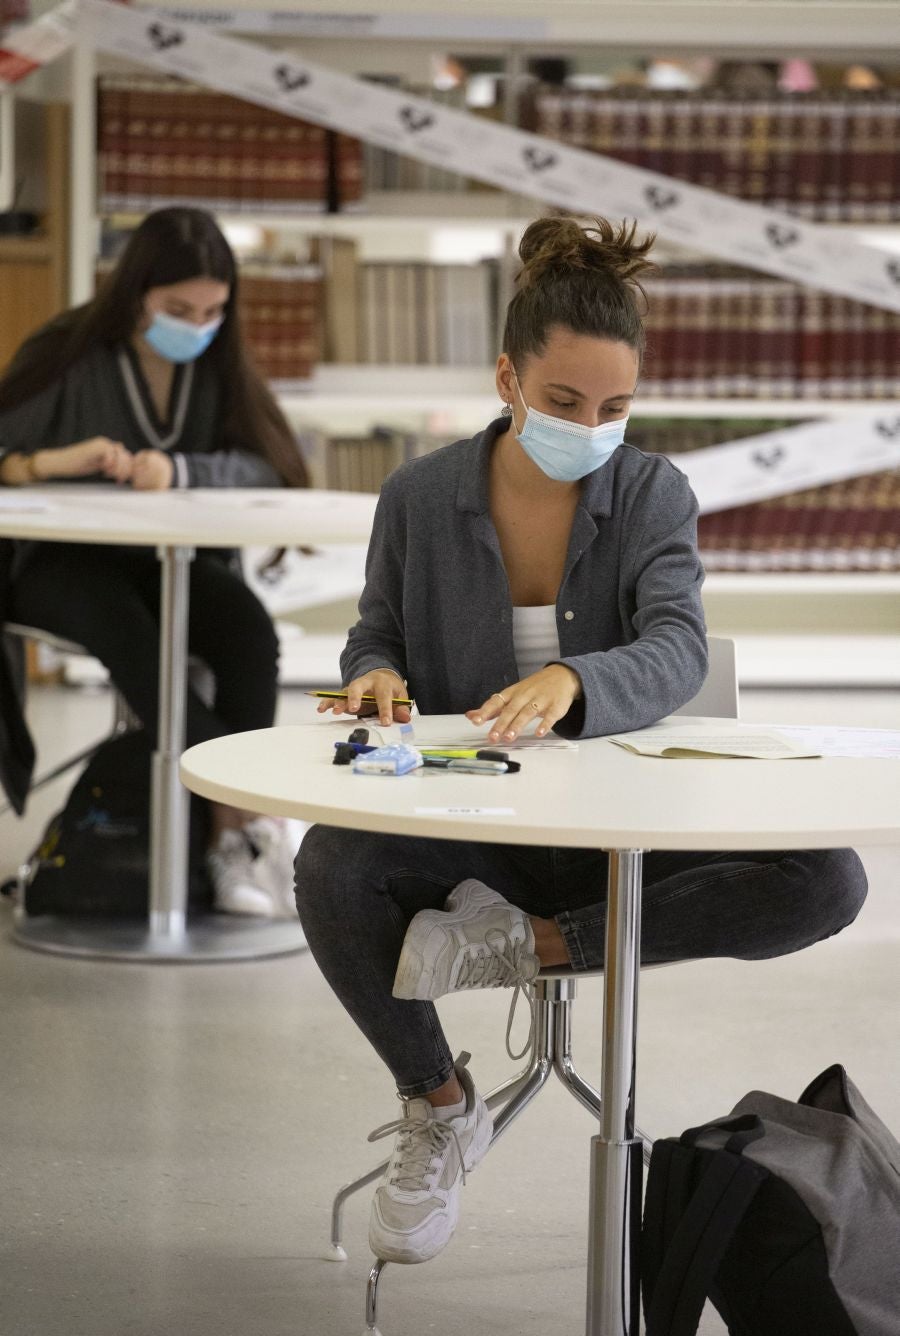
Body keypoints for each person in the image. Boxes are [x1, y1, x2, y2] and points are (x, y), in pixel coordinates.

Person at [296, 216, 868, 1265]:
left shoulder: (655, 494)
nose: (591, 427)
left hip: (622, 833)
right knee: (332, 865)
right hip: (478, 822)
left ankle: (532, 944)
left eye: (615, 408)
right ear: (506, 376)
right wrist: (370, 673)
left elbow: (679, 648)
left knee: (829, 881)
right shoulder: (417, 497)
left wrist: (574, 678)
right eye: (564, 403)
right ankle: (437, 1100)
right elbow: (376, 629)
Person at [0, 207, 307, 917]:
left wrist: (182, 470)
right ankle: (243, 821)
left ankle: (223, 836)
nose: (196, 324)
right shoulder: (67, 351)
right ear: (135, 292)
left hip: (157, 561)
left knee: (247, 633)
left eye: (212, 310)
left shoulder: (218, 365)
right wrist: (52, 462)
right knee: (140, 644)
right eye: (177, 308)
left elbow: (273, 466)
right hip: (53, 567)